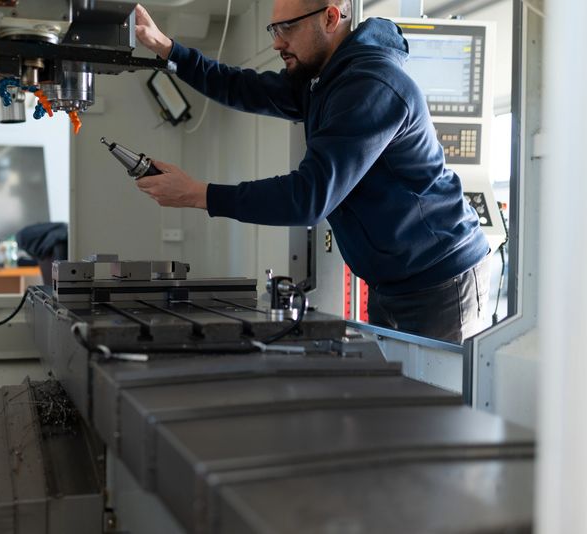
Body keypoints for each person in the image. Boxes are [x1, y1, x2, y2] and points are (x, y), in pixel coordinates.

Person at [132, 0, 491, 343]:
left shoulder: (371, 86)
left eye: (287, 28)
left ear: (330, 18)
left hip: (442, 281)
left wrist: (198, 194)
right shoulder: (323, 79)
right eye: (274, 27)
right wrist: (167, 48)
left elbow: (309, 196)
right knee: (397, 397)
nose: (276, 42)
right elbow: (243, 87)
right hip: (393, 280)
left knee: (433, 402)